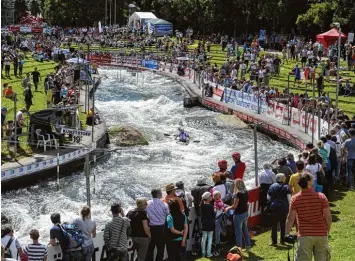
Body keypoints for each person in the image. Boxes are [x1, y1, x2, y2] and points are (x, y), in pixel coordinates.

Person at [286, 172, 332, 261]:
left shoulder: (295, 198)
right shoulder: (321, 197)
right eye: (312, 179)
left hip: (304, 235)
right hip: (321, 234)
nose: (313, 181)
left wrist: (287, 234)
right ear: (308, 182)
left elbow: (290, 218)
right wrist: (327, 231)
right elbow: (328, 218)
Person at [225, 179, 251, 251]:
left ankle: (239, 249)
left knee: (238, 232)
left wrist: (228, 208)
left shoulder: (237, 194)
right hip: (245, 213)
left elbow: (234, 206)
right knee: (245, 230)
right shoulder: (246, 192)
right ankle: (248, 247)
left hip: (238, 214)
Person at [267, 173, 292, 246]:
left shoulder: (272, 186)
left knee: (274, 224)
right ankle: (282, 240)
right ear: (282, 179)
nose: (285, 178)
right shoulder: (286, 187)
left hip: (274, 206)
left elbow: (268, 197)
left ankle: (274, 241)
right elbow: (289, 199)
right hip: (283, 207)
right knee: (283, 224)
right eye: (284, 177)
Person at [146, 189, 169, 261]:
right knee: (160, 249)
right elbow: (168, 215)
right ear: (158, 194)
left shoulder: (147, 203)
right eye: (161, 193)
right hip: (161, 228)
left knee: (150, 248)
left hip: (150, 228)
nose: (162, 194)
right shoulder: (164, 204)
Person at [200, 192, 215, 258]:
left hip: (204, 224)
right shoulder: (211, 206)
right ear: (208, 198)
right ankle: (208, 253)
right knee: (210, 239)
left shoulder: (202, 206)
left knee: (204, 238)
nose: (212, 197)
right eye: (210, 196)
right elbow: (214, 215)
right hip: (210, 224)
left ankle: (203, 253)